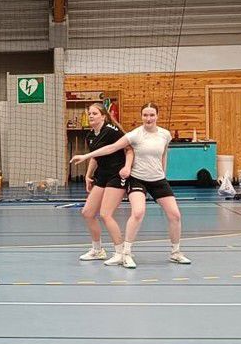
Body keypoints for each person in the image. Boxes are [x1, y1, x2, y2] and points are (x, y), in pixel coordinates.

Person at [70, 102, 190, 269]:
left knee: (175, 215)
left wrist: (162, 172)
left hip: (150, 179)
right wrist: (87, 162)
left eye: (152, 115)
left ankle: (174, 252)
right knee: (132, 212)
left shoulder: (165, 134)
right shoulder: (132, 135)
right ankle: (119, 252)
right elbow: (108, 150)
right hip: (135, 178)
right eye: (145, 115)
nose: (149, 118)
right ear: (141, 117)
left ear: (157, 116)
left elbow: (162, 153)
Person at [75, 103, 131, 265]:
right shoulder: (90, 136)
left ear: (103, 116)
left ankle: (121, 253)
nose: (91, 116)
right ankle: (98, 250)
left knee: (106, 214)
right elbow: (95, 156)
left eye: (94, 113)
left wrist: (127, 167)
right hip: (102, 176)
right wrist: (88, 175)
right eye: (89, 113)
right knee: (88, 212)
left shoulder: (112, 132)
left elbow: (129, 149)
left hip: (117, 175)